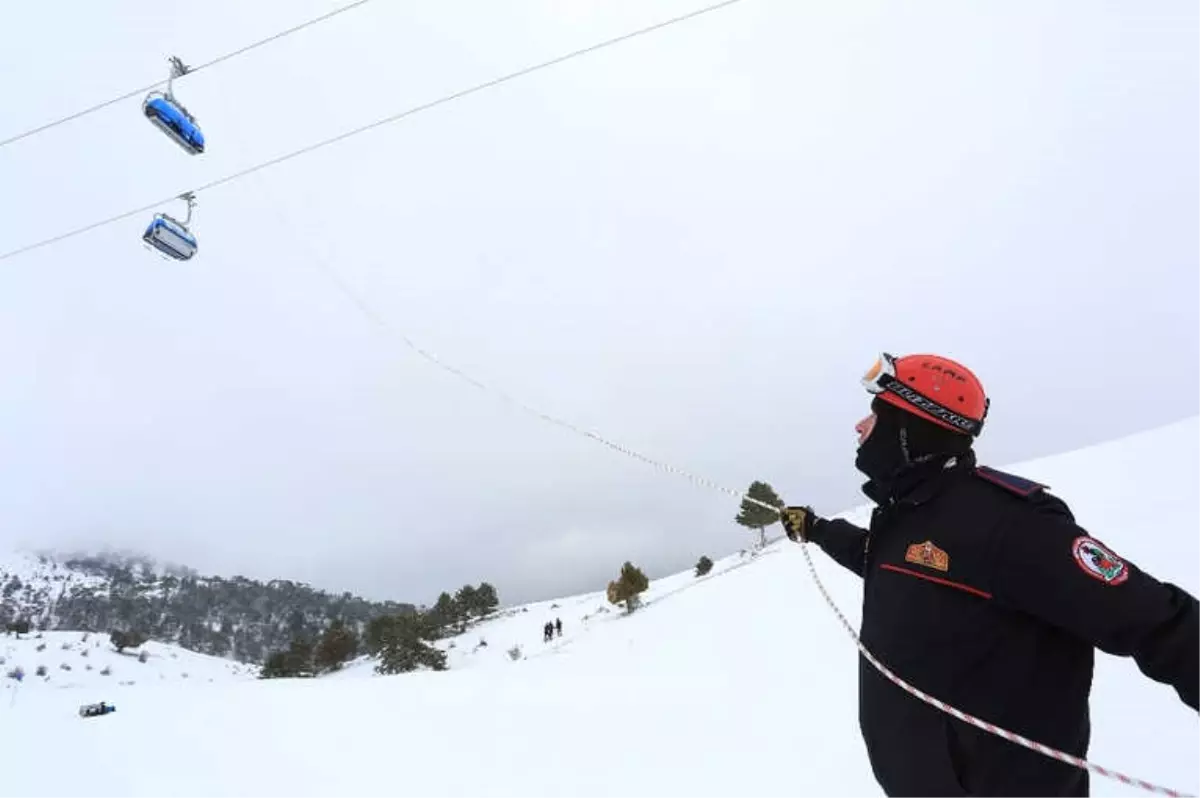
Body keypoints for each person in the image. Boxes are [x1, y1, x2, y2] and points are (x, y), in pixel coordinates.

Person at [779, 352, 1200, 798]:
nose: (860, 427)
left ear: (909, 430)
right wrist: (818, 530)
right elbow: (884, 563)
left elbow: (1162, 623)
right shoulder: (907, 515)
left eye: (876, 414)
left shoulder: (1011, 524)